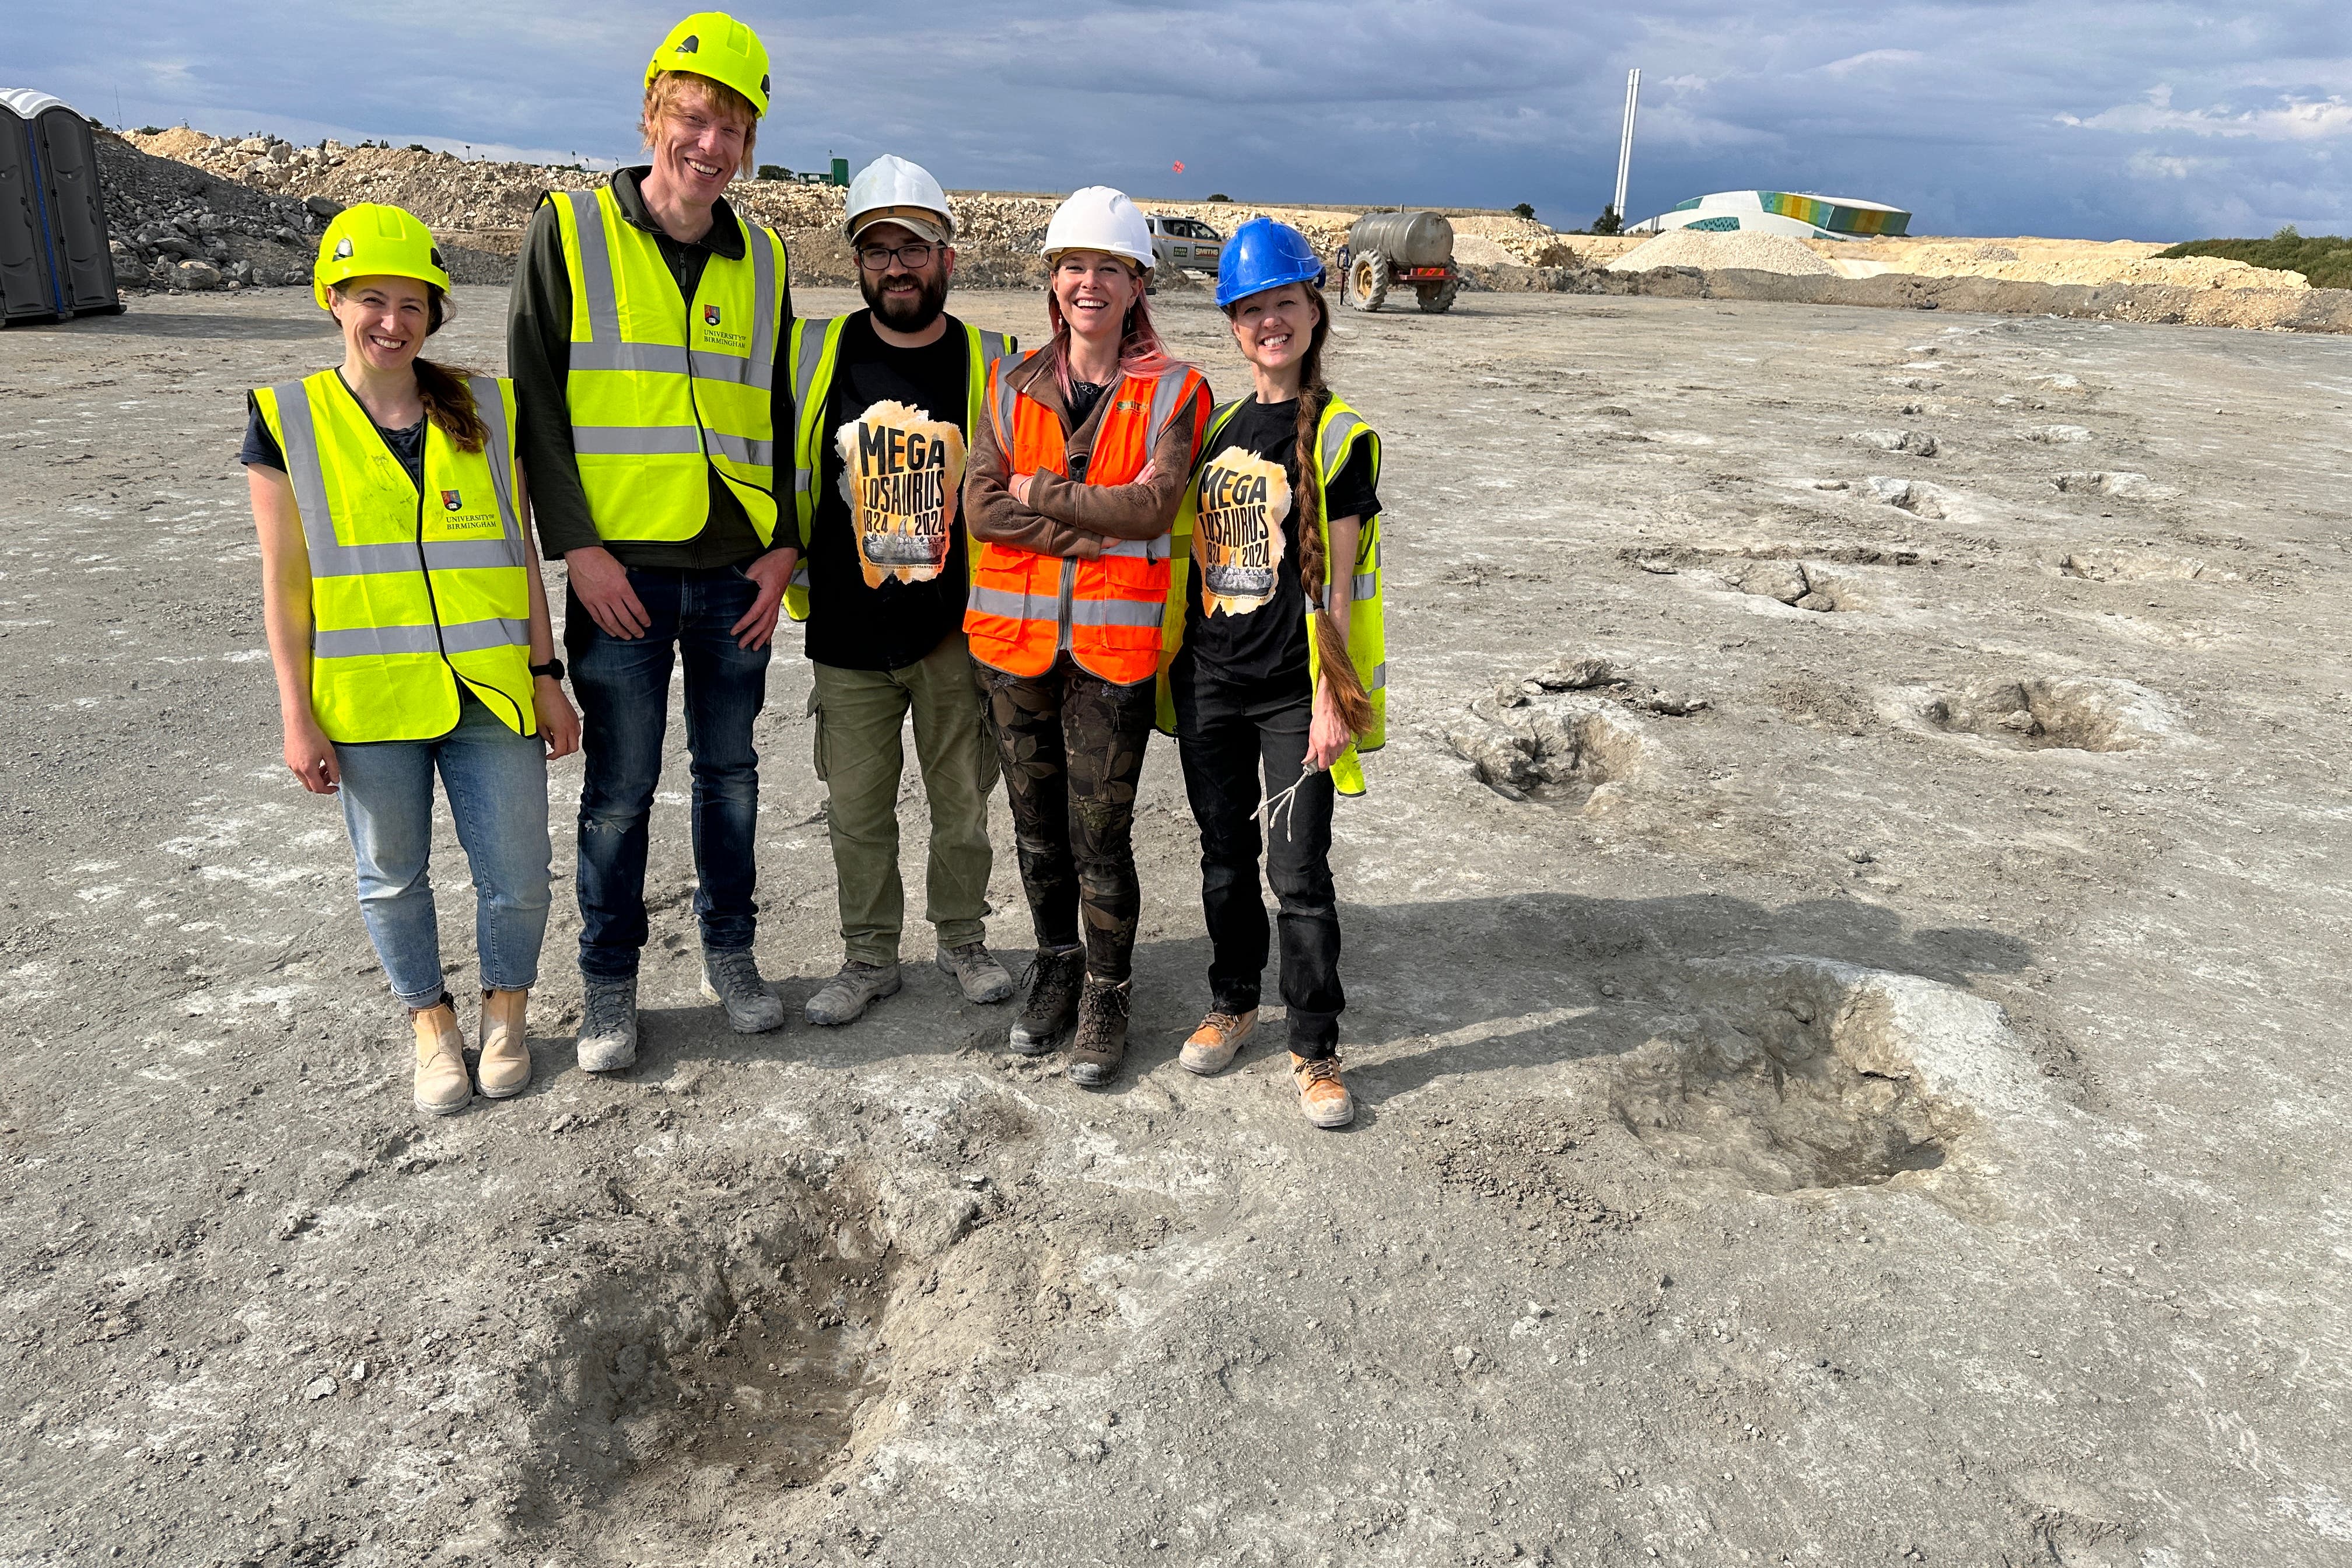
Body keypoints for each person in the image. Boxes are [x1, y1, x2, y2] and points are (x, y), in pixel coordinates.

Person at [244, 204, 581, 1116]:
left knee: (517, 870)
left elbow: (518, 559)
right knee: (391, 875)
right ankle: (431, 1024)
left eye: (412, 304)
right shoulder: (288, 421)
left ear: (435, 315)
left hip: (490, 693)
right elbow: (286, 588)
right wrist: (296, 714)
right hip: (369, 697)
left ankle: (506, 1010)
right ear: (332, 300)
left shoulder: (488, 407)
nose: (391, 322)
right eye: (371, 300)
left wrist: (548, 679)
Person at [508, 12, 796, 1069]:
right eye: (694, 116)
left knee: (732, 774)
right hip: (620, 574)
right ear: (652, 115)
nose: (710, 144)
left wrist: (786, 547)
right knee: (620, 790)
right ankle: (609, 987)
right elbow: (536, 400)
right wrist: (578, 550)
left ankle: (732, 956)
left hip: (736, 572)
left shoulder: (762, 256)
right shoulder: (571, 229)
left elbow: (781, 409)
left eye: (733, 127)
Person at [963, 187, 1212, 1087]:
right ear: (1052, 280)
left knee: (1100, 834)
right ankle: (1057, 966)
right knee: (1037, 831)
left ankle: (1108, 988)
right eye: (1074, 266)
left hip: (1111, 655)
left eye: (1110, 267)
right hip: (1010, 649)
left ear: (1138, 282)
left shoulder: (1178, 390)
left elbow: (1153, 506)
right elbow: (980, 508)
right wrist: (1092, 522)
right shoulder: (1009, 382)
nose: (1089, 283)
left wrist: (1040, 496)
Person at [1155, 218, 1389, 1129]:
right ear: (1232, 322)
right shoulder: (1213, 426)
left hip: (1295, 693)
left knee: (1298, 875)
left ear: (1314, 309)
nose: (1268, 323)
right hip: (1211, 681)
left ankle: (1315, 1048)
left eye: (1283, 304)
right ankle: (1233, 1000)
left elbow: (1335, 589)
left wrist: (1335, 701)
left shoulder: (1340, 437)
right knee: (1222, 860)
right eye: (1250, 310)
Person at [783, 155, 1019, 1025]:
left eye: (913, 248)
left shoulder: (992, 363)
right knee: (857, 809)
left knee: (962, 803)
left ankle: (962, 940)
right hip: (847, 633)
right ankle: (869, 957)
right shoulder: (815, 355)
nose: (896, 266)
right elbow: (783, 478)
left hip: (957, 632)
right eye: (877, 249)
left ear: (948, 257)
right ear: (857, 262)